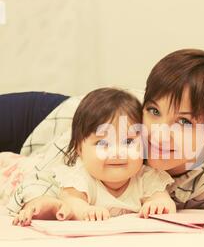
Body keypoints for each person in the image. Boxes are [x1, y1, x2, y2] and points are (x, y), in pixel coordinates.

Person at [7, 49, 204, 222]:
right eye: (155, 111)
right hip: (43, 118)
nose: (158, 133)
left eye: (183, 122)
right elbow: (36, 180)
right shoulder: (129, 121)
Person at [7, 88, 175, 226]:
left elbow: (161, 198)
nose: (117, 152)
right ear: (80, 149)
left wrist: (159, 205)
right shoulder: (80, 175)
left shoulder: (145, 176)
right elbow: (72, 201)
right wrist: (85, 211)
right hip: (25, 160)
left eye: (128, 141)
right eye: (103, 143)